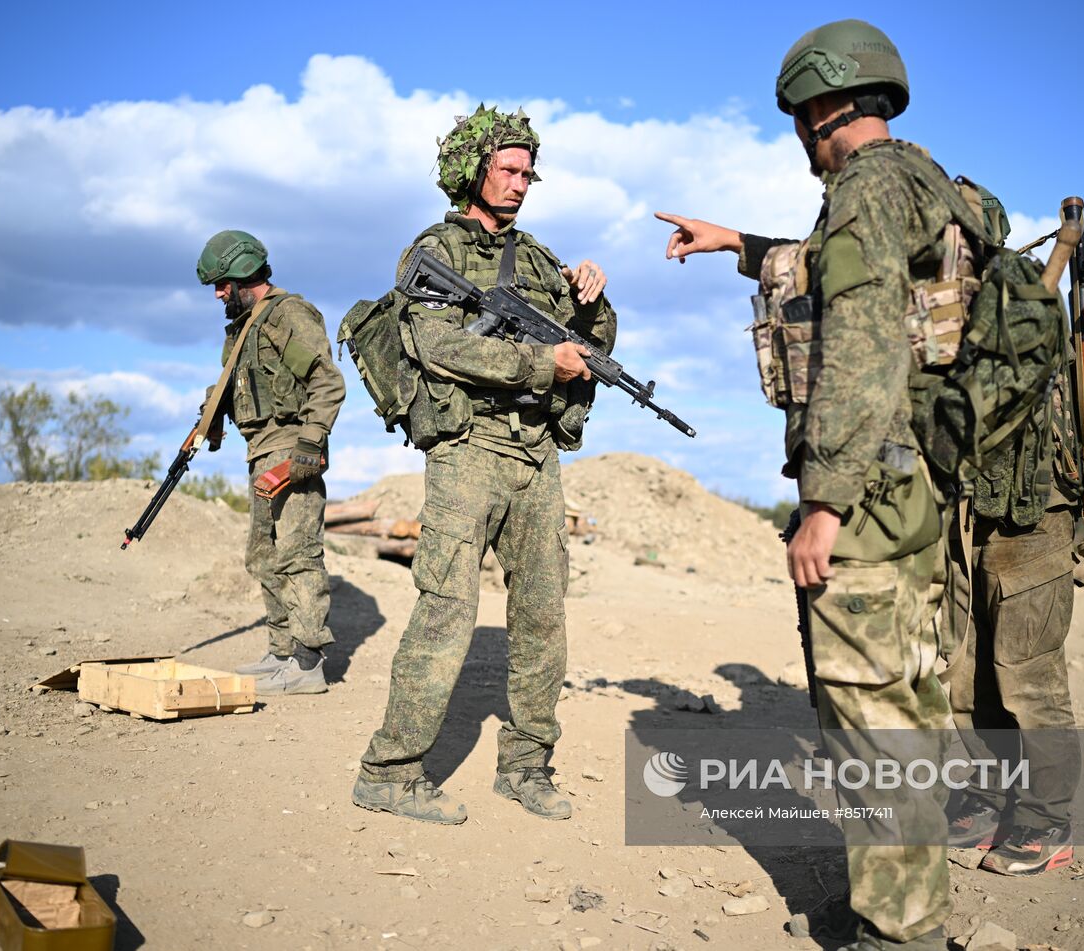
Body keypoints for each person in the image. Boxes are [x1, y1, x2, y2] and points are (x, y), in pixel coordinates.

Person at [656, 19, 969, 949]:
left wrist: (823, 504)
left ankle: (897, 931)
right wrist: (739, 244)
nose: (800, 136)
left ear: (823, 104)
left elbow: (864, 339)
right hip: (917, 490)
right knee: (912, 704)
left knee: (872, 719)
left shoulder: (865, 192)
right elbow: (839, 271)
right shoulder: (923, 178)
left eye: (799, 117)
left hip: (866, 499)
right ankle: (905, 901)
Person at [353, 106, 616, 825]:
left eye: (530, 172)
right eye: (509, 168)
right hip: (470, 449)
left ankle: (527, 765)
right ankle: (391, 770)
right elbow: (439, 346)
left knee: (542, 614)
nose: (522, 183)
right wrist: (541, 362)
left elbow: (585, 342)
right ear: (474, 169)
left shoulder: (536, 258)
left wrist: (593, 299)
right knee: (448, 606)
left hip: (536, 453)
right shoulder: (434, 248)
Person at [195, 230, 346, 695]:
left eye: (222, 284)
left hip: (288, 450)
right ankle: (281, 651)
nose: (219, 294)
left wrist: (307, 448)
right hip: (260, 451)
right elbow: (238, 387)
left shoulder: (287, 316)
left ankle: (306, 662)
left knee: (298, 555)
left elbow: (327, 382)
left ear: (242, 275)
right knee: (263, 556)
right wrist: (212, 417)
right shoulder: (246, 328)